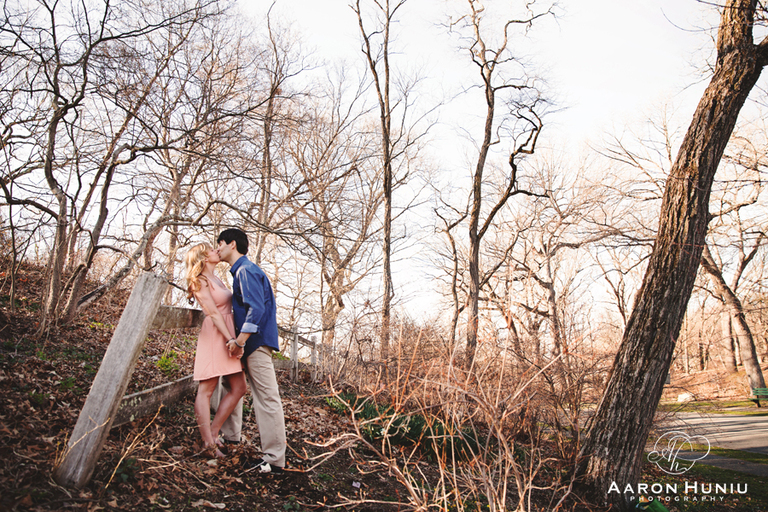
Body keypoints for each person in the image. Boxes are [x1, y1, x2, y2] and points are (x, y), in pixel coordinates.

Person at [214, 228, 287, 473]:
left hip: (254, 344)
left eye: (220, 243)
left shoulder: (246, 271)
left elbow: (256, 309)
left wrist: (240, 341)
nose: (218, 249)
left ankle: (275, 459)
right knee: (232, 386)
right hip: (247, 343)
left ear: (232, 244)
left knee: (266, 397)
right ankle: (231, 436)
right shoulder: (241, 272)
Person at [184, 243, 247, 458]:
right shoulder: (199, 281)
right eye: (211, 249)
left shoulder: (217, 278)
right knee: (207, 389)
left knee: (239, 387)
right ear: (203, 257)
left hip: (229, 334)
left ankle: (212, 432)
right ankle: (208, 444)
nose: (215, 251)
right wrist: (231, 339)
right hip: (216, 335)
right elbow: (212, 312)